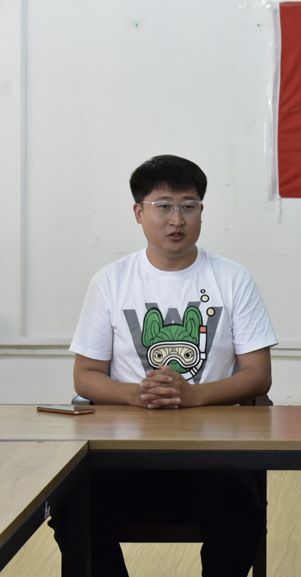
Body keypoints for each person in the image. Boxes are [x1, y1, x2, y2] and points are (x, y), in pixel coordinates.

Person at [49, 155, 277, 577]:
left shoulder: (233, 279)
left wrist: (193, 396)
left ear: (201, 211)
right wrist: (136, 395)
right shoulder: (111, 280)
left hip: (212, 456)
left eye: (189, 206)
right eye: (164, 206)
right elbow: (85, 375)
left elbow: (258, 374)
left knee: (240, 510)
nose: (177, 219)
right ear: (139, 212)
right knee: (72, 507)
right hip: (124, 456)